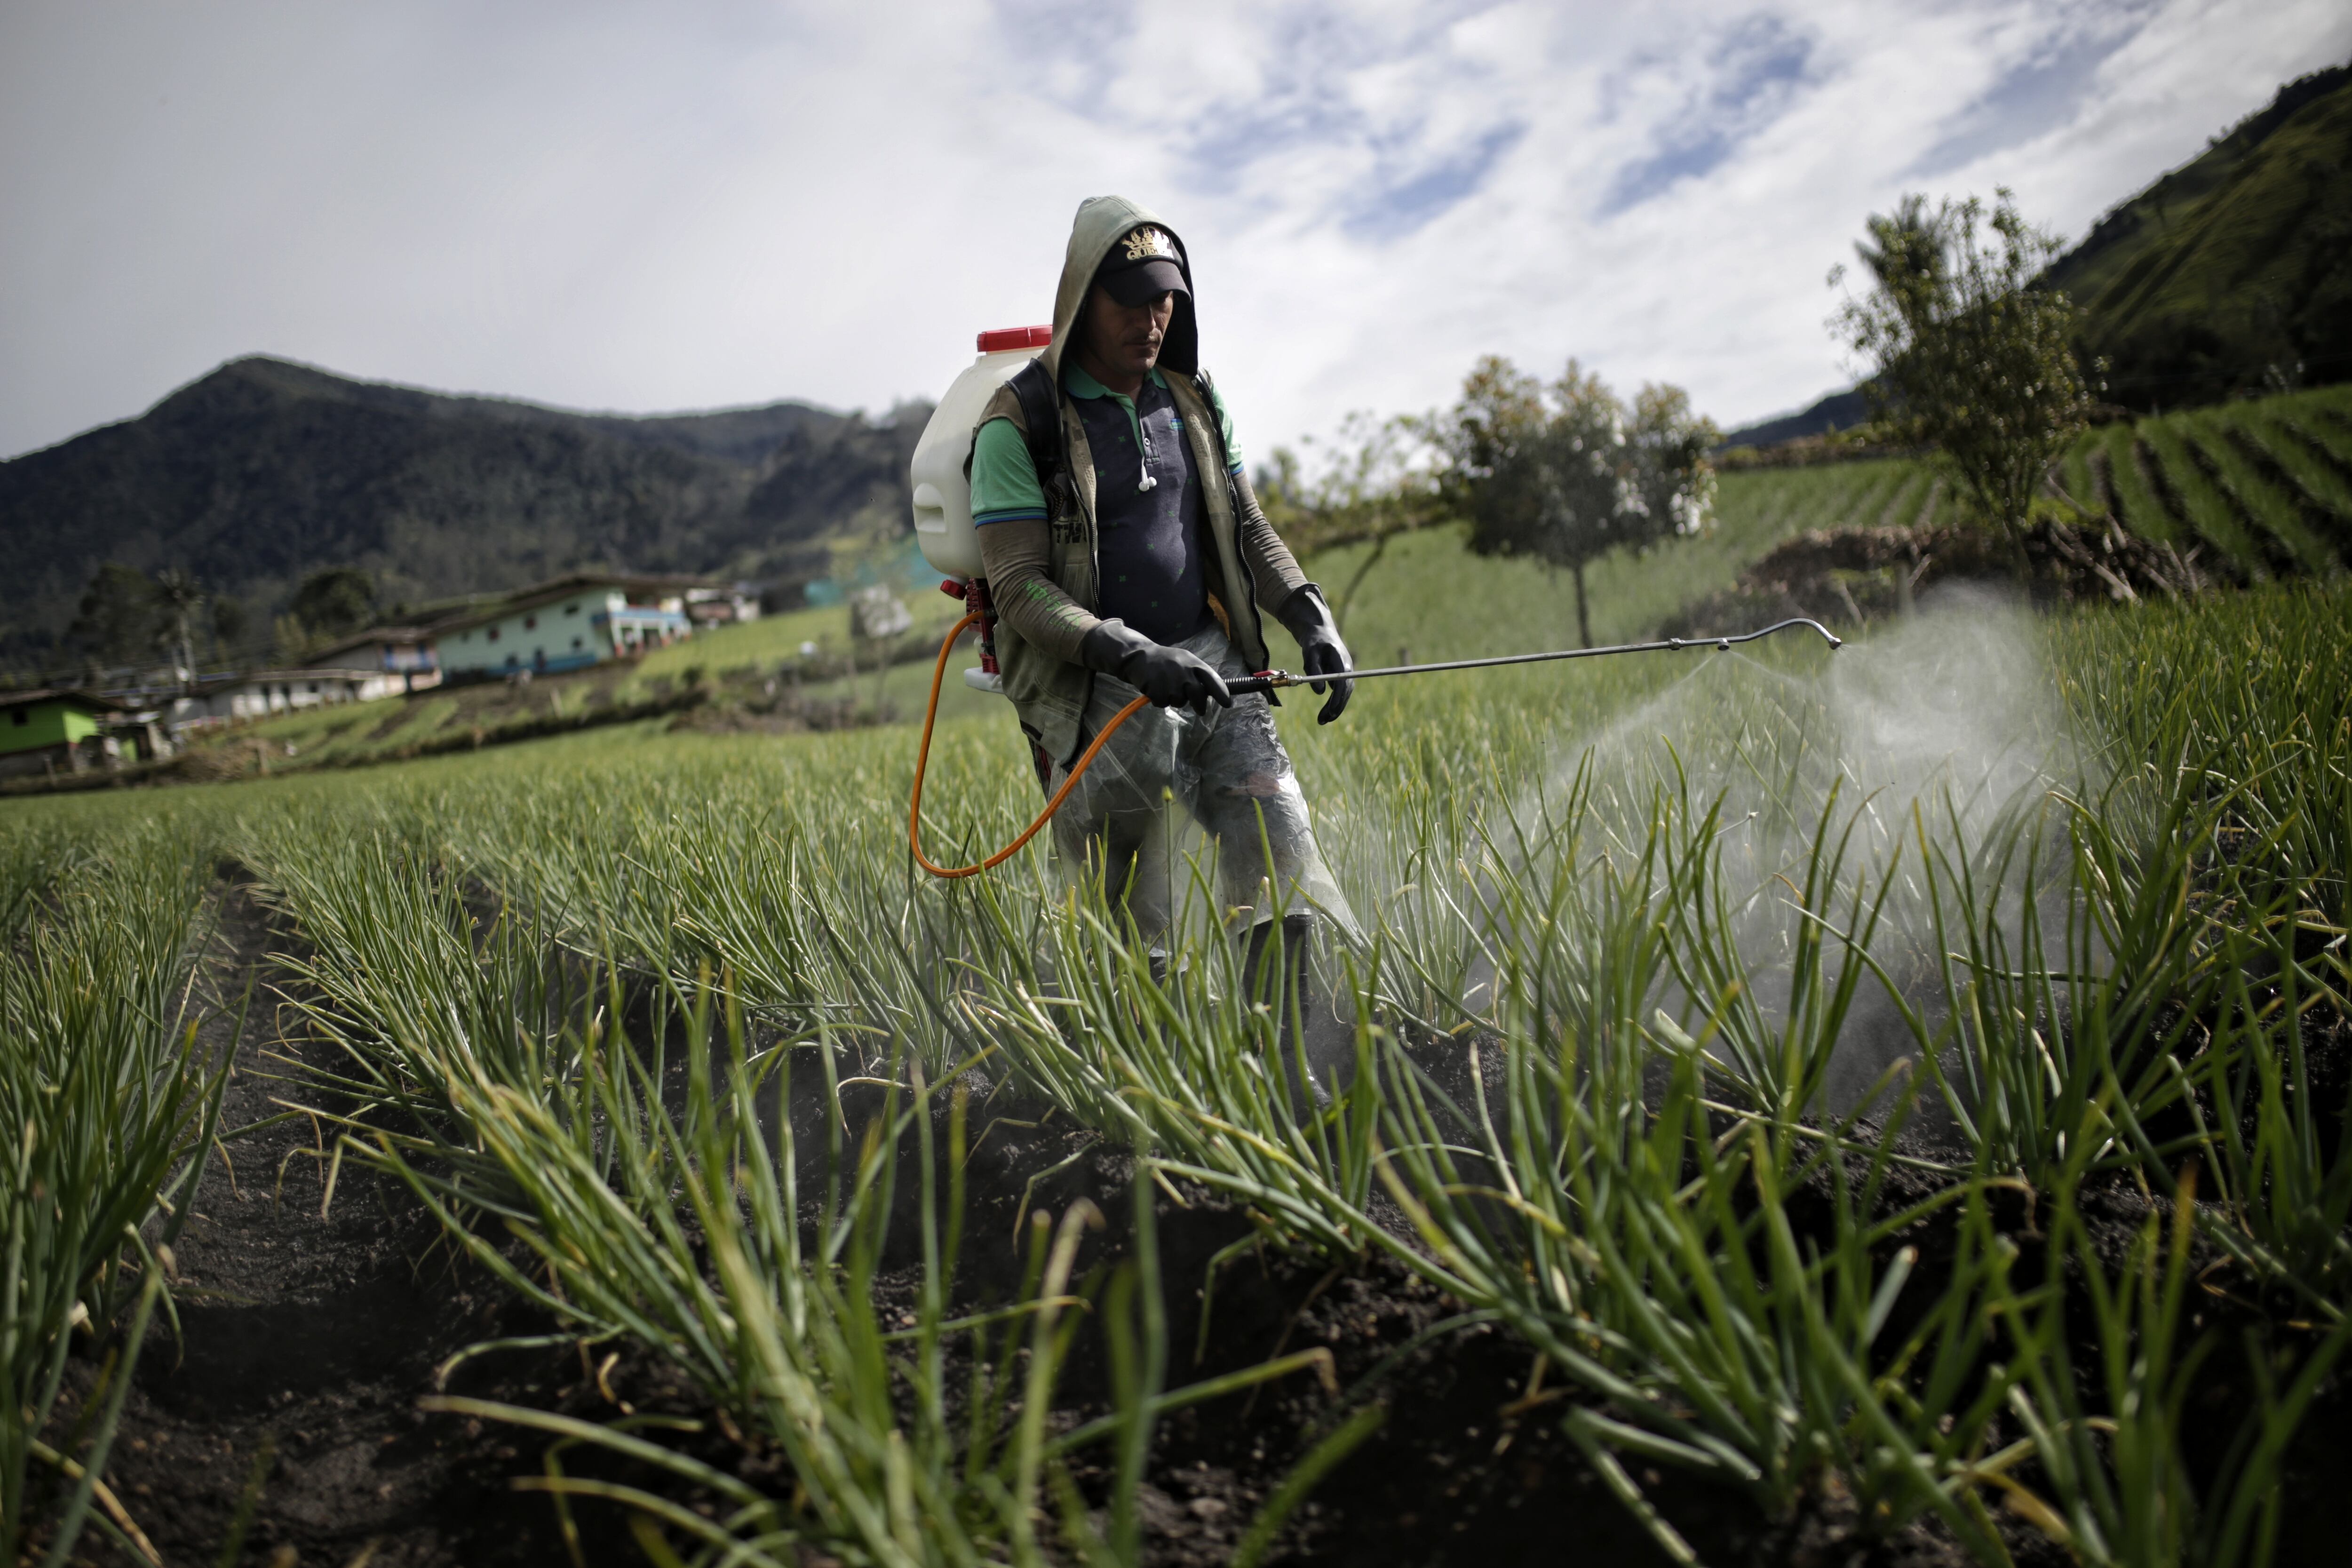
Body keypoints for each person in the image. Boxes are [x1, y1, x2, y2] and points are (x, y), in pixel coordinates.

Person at [967, 194, 1358, 985]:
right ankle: (1147, 1048)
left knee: (1277, 844)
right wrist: (1131, 653)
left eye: (1165, 301)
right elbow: (1018, 587)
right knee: (1130, 918)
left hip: (1214, 664)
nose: (1152, 321)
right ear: (1084, 299)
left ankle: (1282, 1043)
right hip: (1103, 689)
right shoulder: (1020, 425)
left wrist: (1308, 613)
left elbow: (1248, 528)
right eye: (1131, 301)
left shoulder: (1192, 401)